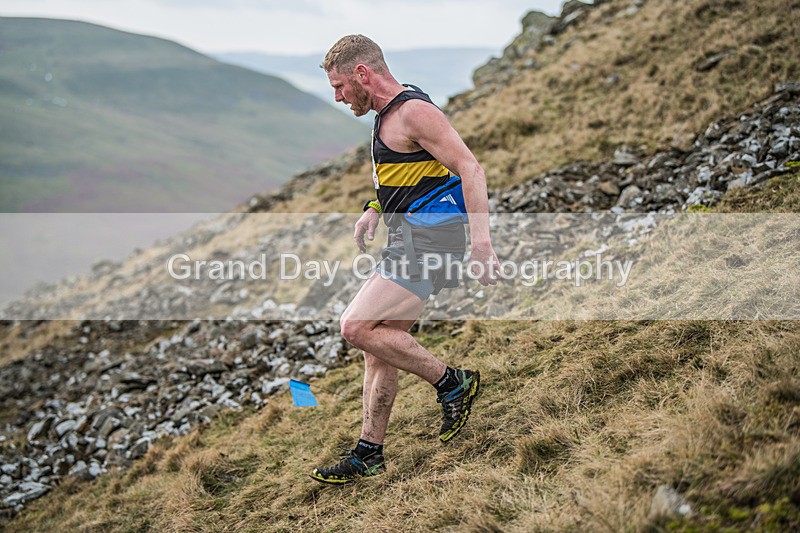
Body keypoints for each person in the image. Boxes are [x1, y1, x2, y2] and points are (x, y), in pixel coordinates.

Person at [310, 34, 499, 484]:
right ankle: (368, 453)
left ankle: (453, 382)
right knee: (380, 345)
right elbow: (413, 175)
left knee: (355, 327)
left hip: (432, 238)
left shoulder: (413, 112)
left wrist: (482, 244)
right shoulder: (386, 114)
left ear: (362, 74)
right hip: (411, 235)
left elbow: (471, 169)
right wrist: (374, 210)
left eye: (339, 86)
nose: (337, 97)